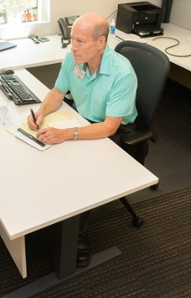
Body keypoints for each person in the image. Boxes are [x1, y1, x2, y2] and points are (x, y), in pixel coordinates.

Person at [27, 13, 138, 267]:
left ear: (100, 42)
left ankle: (79, 229)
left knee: (82, 174)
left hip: (114, 130)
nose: (72, 47)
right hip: (81, 118)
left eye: (79, 41)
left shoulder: (123, 73)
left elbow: (110, 127)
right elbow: (57, 92)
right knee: (50, 152)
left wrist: (66, 134)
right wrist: (42, 113)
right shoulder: (74, 60)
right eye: (71, 40)